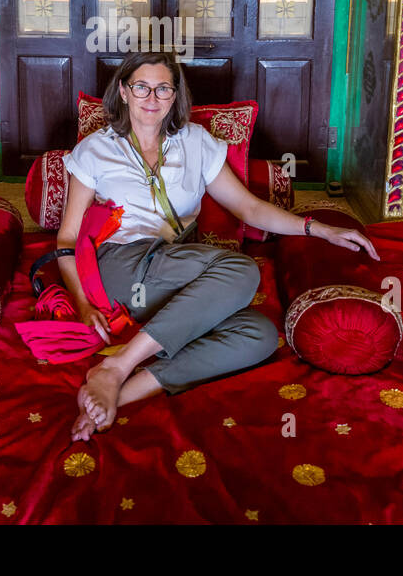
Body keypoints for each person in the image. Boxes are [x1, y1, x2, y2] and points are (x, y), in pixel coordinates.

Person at [57, 50, 379, 442]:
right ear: (123, 92)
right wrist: (83, 303)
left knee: (257, 335)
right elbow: (68, 239)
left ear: (175, 96)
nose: (152, 98)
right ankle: (119, 365)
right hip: (124, 267)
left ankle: (120, 393)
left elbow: (247, 206)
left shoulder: (194, 141)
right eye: (141, 87)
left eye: (163, 89)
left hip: (174, 271)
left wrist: (317, 229)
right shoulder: (96, 149)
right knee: (242, 269)